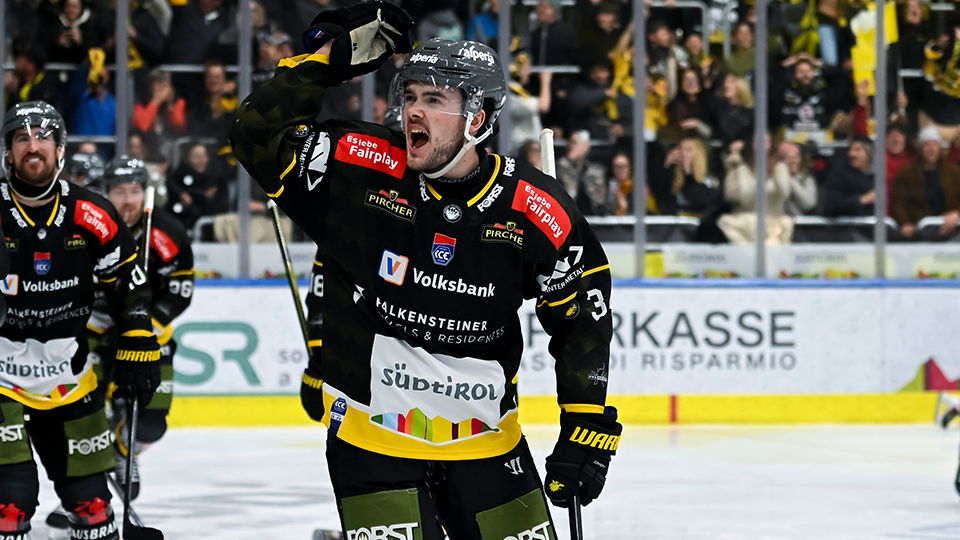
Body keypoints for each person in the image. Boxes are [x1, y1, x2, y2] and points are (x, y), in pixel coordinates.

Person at [230, 3, 620, 537]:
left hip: (488, 445)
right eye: (410, 96)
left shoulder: (534, 207)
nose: (413, 111)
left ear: (477, 119)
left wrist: (586, 426)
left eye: (434, 100)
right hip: (371, 443)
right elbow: (254, 133)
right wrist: (324, 62)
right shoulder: (364, 164)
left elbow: (583, 319)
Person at [0, 101, 159, 540]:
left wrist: (139, 339)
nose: (33, 146)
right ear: (8, 152)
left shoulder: (92, 212)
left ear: (60, 150)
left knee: (93, 511)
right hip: (1, 376)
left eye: (43, 137)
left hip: (68, 376)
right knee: (8, 508)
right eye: (21, 138)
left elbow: (129, 283)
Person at [890, 127, 960, 239]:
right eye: (927, 145)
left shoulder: (953, 172)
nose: (932, 149)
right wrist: (905, 223)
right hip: (918, 231)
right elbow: (899, 202)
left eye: (935, 145)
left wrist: (956, 213)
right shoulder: (906, 173)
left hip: (949, 229)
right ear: (920, 148)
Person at [823, 136, 876, 217]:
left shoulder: (875, 178)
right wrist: (861, 200)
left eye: (857, 150)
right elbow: (831, 205)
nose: (851, 154)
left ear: (869, 153)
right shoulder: (838, 176)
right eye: (850, 150)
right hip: (846, 224)